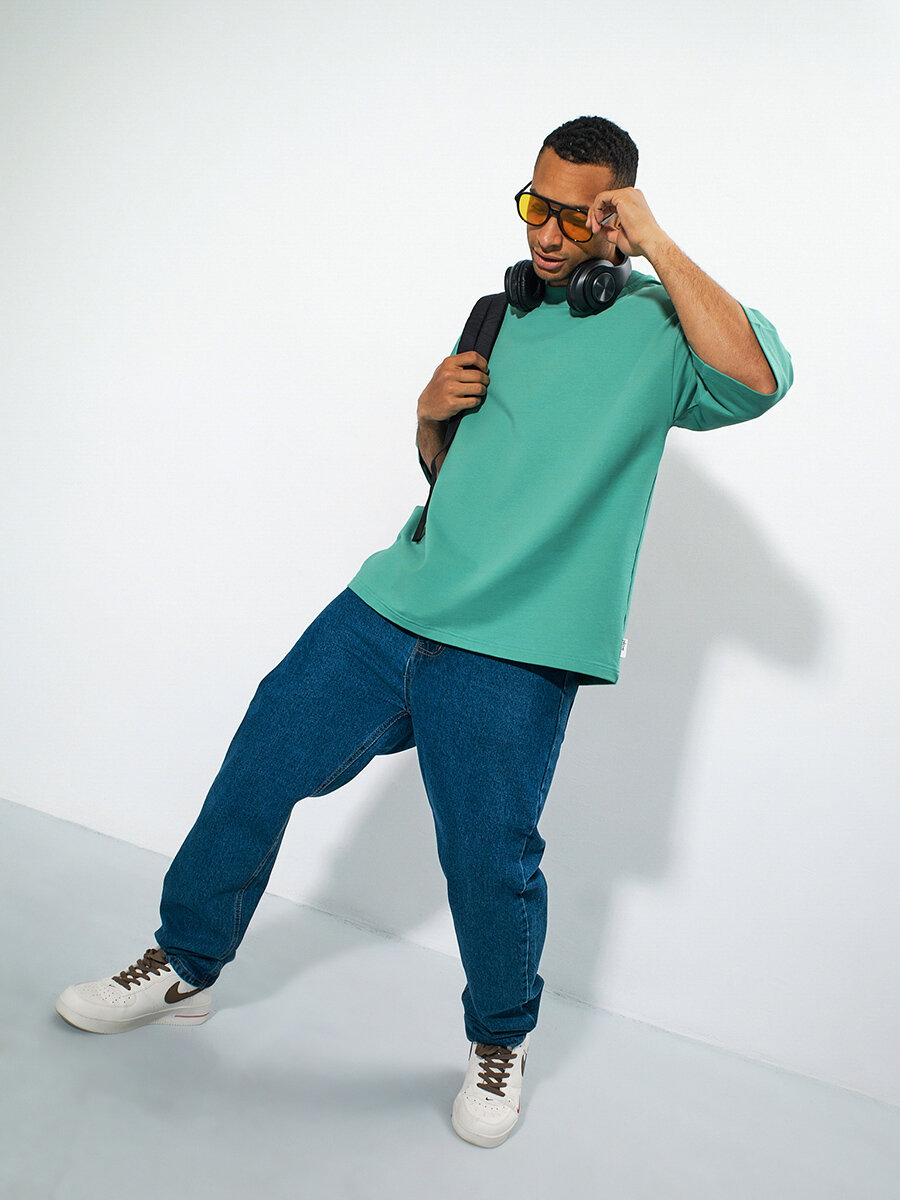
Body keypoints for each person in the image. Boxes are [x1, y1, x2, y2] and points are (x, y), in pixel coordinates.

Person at [55, 115, 793, 1149]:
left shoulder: (660, 331)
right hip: (395, 606)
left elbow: (759, 379)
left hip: (519, 646)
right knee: (263, 757)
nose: (546, 235)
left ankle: (500, 1040)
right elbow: (457, 477)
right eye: (534, 206)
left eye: (574, 217)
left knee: (488, 857)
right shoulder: (500, 311)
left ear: (615, 216)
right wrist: (427, 418)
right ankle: (185, 965)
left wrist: (659, 244)